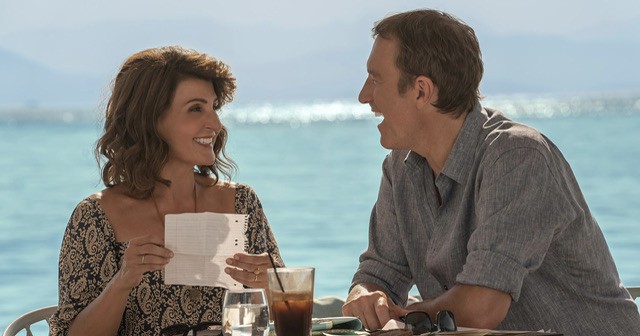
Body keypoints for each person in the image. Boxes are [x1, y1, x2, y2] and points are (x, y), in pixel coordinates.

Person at [342, 9, 640, 334]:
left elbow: (481, 307)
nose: (363, 96)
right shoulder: (400, 169)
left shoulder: (517, 156)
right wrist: (367, 297)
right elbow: (379, 274)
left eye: (375, 78)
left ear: (421, 91)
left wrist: (401, 317)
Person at [49, 46, 284, 336]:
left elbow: (287, 314)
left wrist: (272, 286)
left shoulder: (242, 202)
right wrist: (123, 280)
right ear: (150, 119)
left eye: (214, 108)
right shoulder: (96, 217)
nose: (216, 124)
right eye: (196, 108)